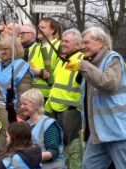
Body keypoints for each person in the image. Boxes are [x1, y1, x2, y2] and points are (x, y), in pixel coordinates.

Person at [66, 27, 126, 169]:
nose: (82, 47)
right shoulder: (92, 62)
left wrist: (84, 66)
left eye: (86, 43)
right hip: (99, 133)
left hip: (118, 131)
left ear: (100, 41)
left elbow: (109, 83)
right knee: (89, 166)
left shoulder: (113, 58)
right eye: (82, 43)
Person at [44, 29, 84, 168]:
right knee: (59, 146)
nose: (63, 43)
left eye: (67, 41)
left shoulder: (81, 60)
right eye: (63, 40)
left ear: (77, 44)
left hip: (70, 112)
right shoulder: (64, 60)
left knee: (72, 147)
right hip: (55, 110)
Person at [0, 35, 33, 119]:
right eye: (1, 49)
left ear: (15, 49)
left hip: (10, 112)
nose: (2, 52)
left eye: (5, 49)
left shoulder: (22, 67)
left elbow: (23, 97)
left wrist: (18, 118)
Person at [21, 89, 65, 168]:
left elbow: (53, 151)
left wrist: (31, 157)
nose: (22, 107)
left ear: (36, 105)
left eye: (25, 104)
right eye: (21, 104)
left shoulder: (49, 124)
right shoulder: (25, 124)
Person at [36, 17, 61, 88]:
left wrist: (41, 72)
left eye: (42, 27)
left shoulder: (60, 46)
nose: (39, 29)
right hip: (33, 95)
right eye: (38, 27)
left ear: (52, 30)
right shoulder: (33, 48)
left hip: (50, 94)